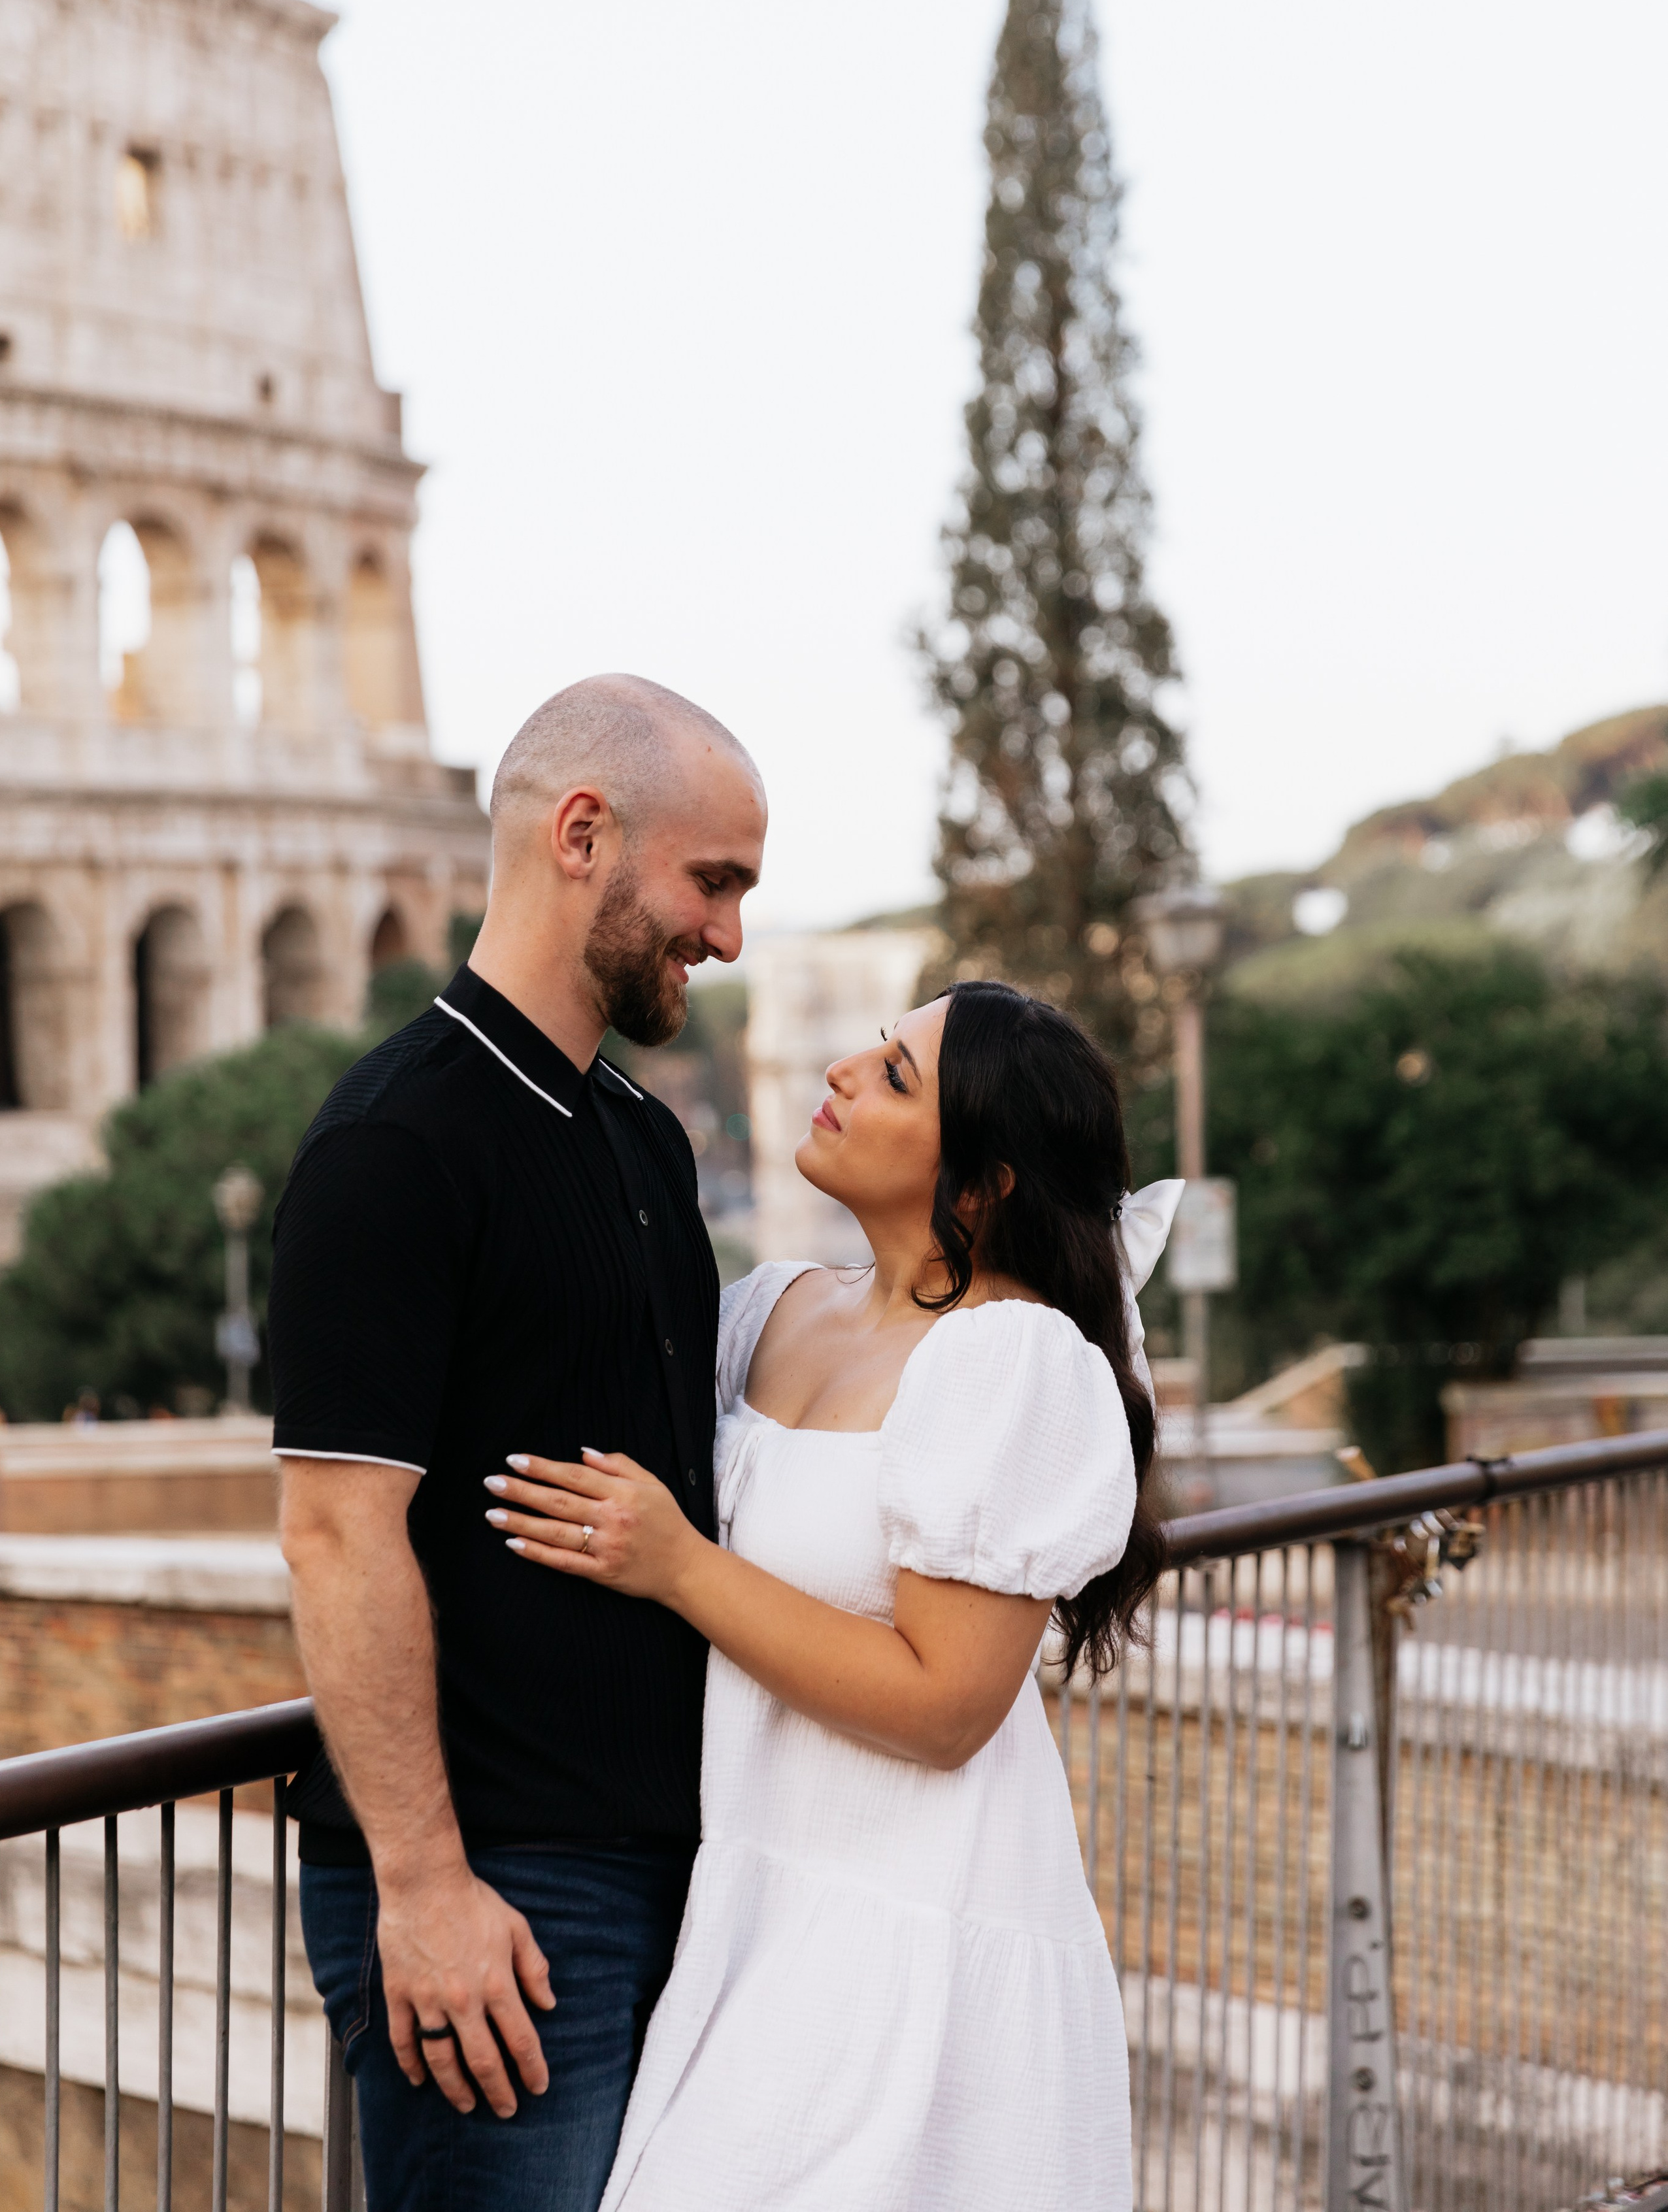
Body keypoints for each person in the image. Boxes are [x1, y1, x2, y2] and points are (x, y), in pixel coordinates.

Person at [486, 977, 1182, 2211]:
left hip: (913, 1925)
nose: (848, 1074)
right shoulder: (768, 1313)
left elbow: (948, 1708)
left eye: (898, 1076)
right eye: (873, 1049)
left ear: (983, 1184)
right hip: (748, 1902)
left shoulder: (1010, 1359)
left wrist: (681, 1565)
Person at [271, 674, 767, 2212]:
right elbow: (336, 1533)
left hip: (679, 1869)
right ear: (580, 835)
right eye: (713, 882)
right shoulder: (393, 1146)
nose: (729, 935)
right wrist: (423, 1888)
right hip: (495, 1900)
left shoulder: (639, 1140)